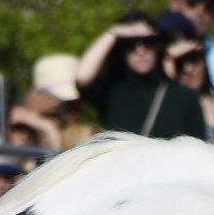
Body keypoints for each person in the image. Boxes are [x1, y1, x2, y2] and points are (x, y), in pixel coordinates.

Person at [73, 14, 205, 140]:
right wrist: (113, 33)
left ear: (158, 45)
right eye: (130, 44)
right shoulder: (111, 91)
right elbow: (82, 78)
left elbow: (198, 153)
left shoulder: (184, 97)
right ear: (120, 50)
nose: (140, 51)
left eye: (148, 42)